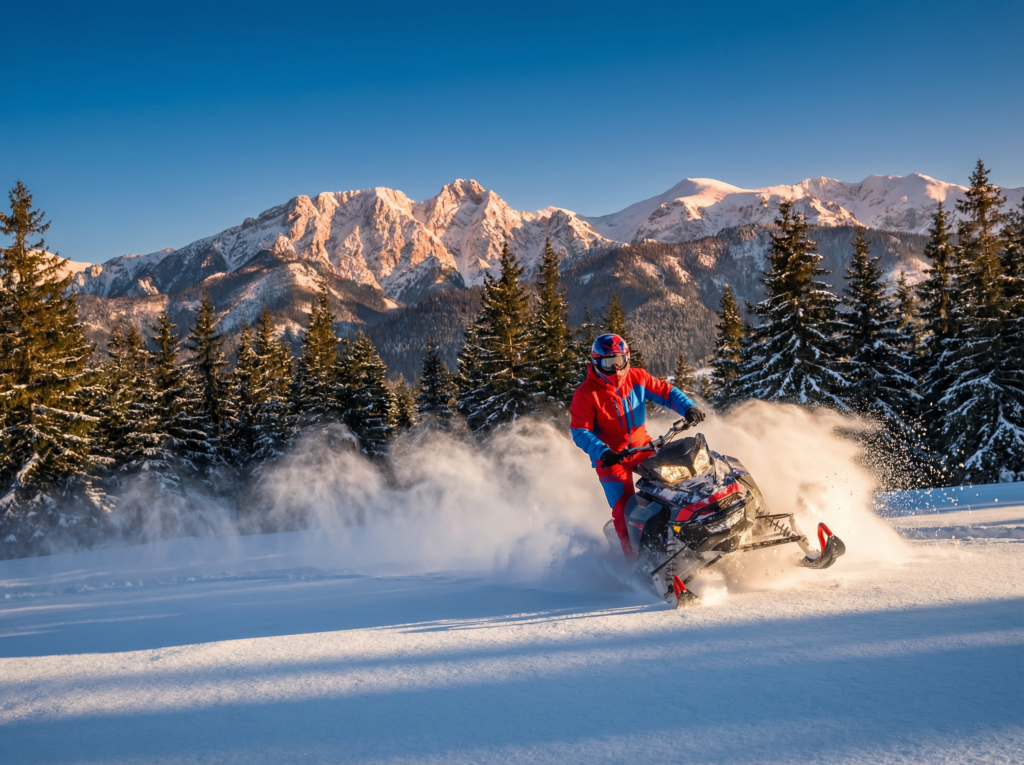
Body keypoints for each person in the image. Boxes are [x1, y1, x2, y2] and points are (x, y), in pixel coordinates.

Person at [569, 334, 705, 560]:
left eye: (619, 361)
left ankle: (694, 530)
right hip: (611, 458)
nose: (615, 368)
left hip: (643, 448)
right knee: (625, 512)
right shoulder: (586, 393)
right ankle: (636, 563)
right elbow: (580, 430)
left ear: (627, 358)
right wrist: (602, 451)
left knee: (677, 486)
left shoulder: (637, 377)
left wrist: (688, 408)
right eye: (608, 363)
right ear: (596, 362)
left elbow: (666, 392)